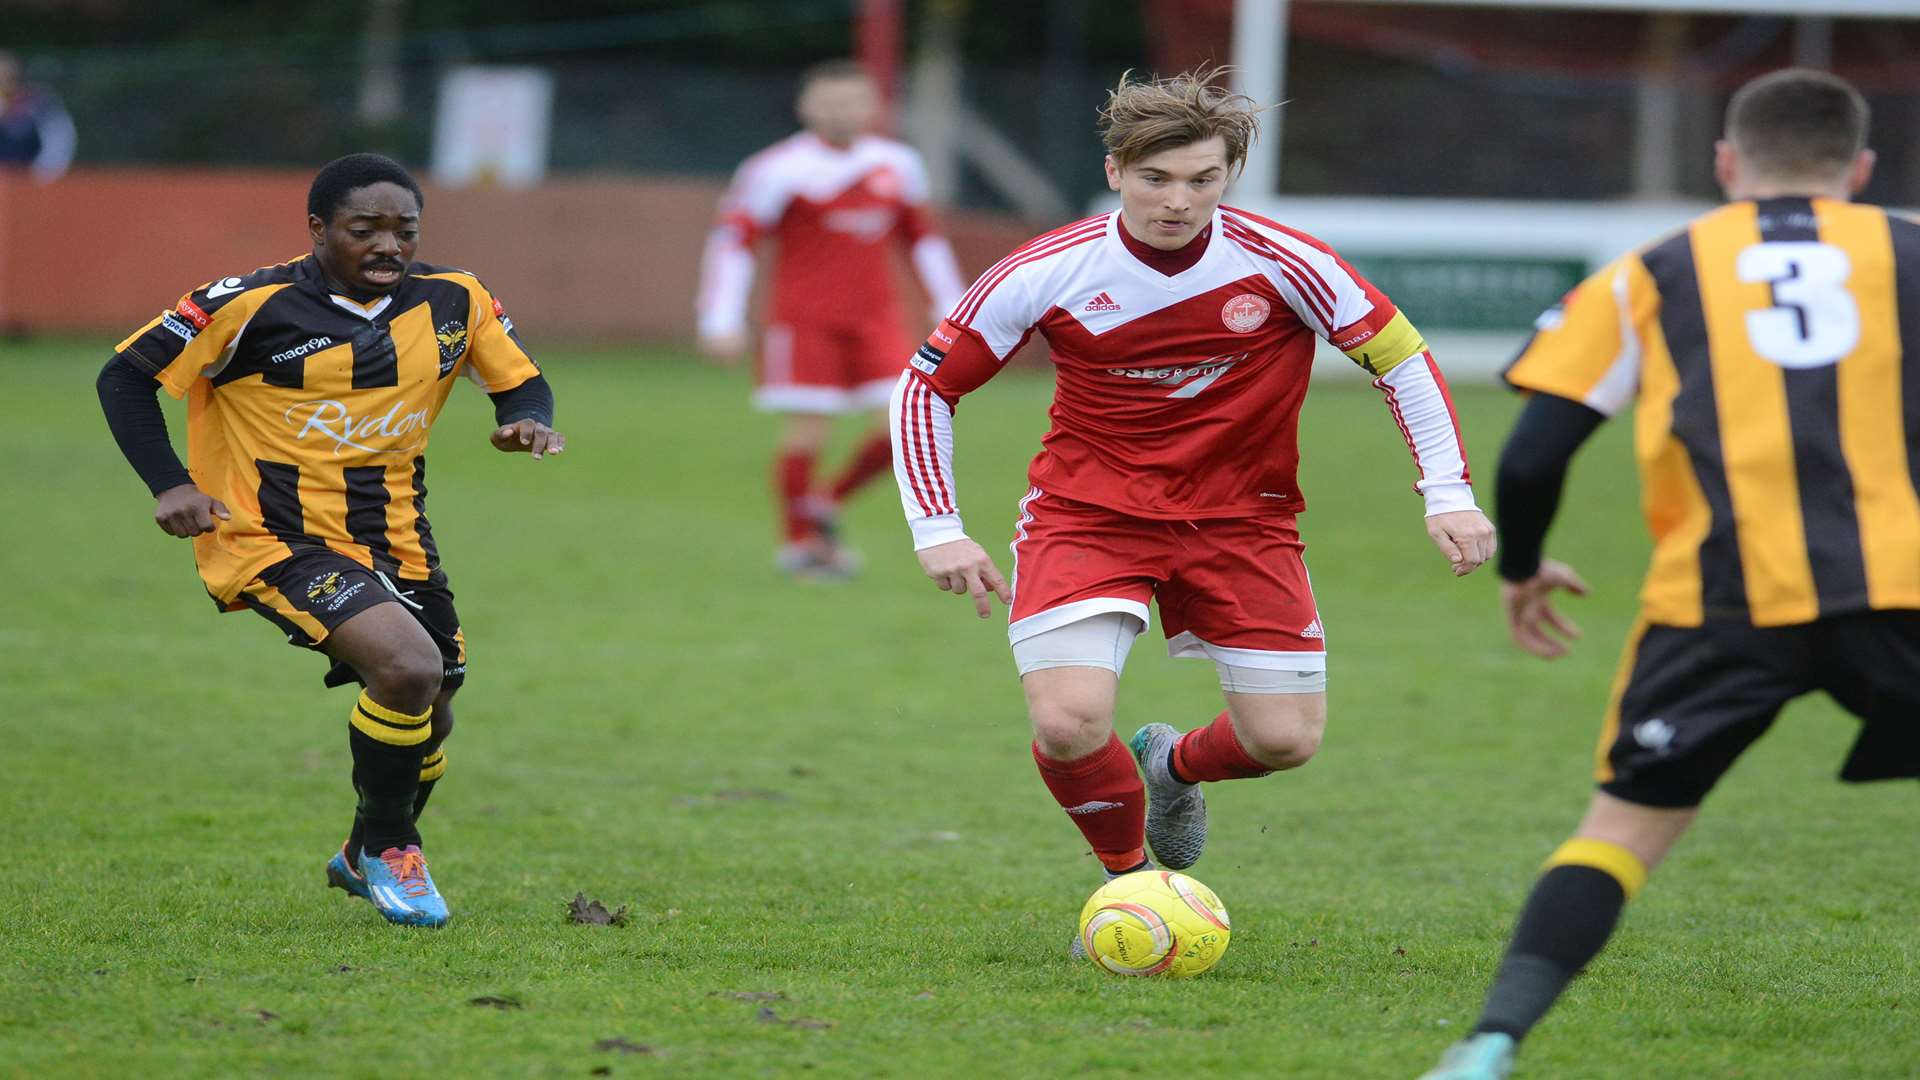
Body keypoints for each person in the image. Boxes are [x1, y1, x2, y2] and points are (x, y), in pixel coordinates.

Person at [889, 69, 1494, 939]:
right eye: (1156, 179)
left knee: (1284, 742)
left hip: (1245, 520)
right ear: (1115, 172)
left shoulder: (1287, 262)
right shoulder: (1048, 268)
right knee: (1068, 720)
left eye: (1202, 180)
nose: (1178, 201)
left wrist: (1449, 492)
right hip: (1088, 515)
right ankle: (1131, 885)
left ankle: (1170, 766)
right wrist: (937, 527)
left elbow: (1400, 357)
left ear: (1228, 177)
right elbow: (925, 389)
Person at [1421, 69, 1920, 1080]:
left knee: (1621, 834)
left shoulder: (1654, 268)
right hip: (1906, 588)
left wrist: (1520, 566)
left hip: (1721, 601)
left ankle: (1489, 1047)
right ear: (1861, 170)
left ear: (1726, 163)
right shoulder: (1914, 254)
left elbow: (1529, 458)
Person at [95, 153, 564, 929]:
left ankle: (357, 854)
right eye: (364, 229)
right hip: (270, 536)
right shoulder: (247, 304)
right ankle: (390, 848)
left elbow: (519, 378)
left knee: (433, 708)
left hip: (397, 536)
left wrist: (525, 420)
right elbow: (125, 376)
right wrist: (170, 483)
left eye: (404, 231)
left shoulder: (456, 299)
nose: (388, 245)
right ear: (318, 229)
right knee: (407, 668)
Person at [698, 59, 965, 578]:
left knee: (903, 426)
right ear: (805, 106)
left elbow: (923, 239)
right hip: (802, 322)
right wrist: (718, 317)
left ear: (872, 107)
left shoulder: (897, 164)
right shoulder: (776, 168)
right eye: (829, 102)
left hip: (878, 319)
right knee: (806, 433)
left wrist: (952, 308)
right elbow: (733, 242)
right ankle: (800, 545)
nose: (841, 112)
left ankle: (823, 501)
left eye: (852, 101)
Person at [0, 51, 75, 182]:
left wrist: (44, 172)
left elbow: (60, 137)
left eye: (6, 74)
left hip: (28, 176)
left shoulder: (37, 101)